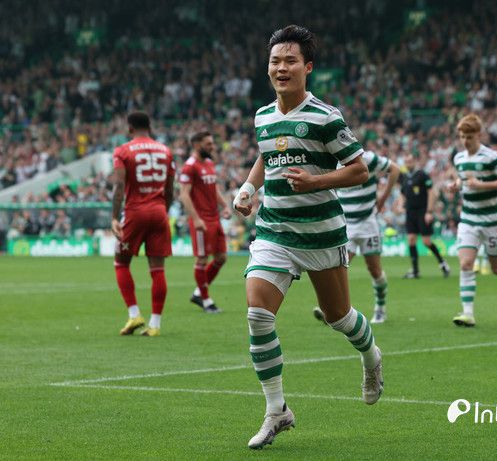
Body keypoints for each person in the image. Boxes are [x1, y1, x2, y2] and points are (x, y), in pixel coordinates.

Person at [232, 25, 383, 450]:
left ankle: (371, 357)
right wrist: (248, 188)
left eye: (290, 61)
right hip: (274, 231)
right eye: (275, 61)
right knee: (258, 315)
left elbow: (359, 170)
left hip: (320, 234)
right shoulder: (263, 116)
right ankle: (276, 410)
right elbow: (266, 156)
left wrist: (316, 182)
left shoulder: (325, 116)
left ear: (308, 67)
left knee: (339, 318)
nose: (281, 68)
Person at [447, 114, 497, 327]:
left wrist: (483, 185)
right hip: (468, 219)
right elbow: (463, 180)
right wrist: (456, 185)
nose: (465, 141)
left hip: (492, 221)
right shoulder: (459, 158)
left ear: (479, 135)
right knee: (466, 263)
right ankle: (468, 313)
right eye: (462, 136)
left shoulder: (491, 157)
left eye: (469, 136)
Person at [313, 150, 400, 324]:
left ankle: (380, 308)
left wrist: (383, 198)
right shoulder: (332, 162)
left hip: (368, 223)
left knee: (374, 270)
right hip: (346, 225)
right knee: (338, 267)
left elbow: (395, 169)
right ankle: (332, 309)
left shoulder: (367, 158)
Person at [112, 111, 175, 337]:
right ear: (149, 127)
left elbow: (119, 186)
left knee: (121, 262)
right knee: (157, 269)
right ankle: (155, 324)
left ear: (130, 128)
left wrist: (114, 217)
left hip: (135, 212)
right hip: (159, 211)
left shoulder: (122, 151)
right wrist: (163, 211)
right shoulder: (165, 151)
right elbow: (170, 189)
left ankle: (134, 315)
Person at [179, 131, 231, 313]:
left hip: (214, 218)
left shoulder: (209, 163)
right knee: (202, 259)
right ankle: (206, 300)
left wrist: (224, 205)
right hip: (201, 220)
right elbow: (184, 194)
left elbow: (213, 188)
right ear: (196, 145)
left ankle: (198, 293)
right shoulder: (189, 167)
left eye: (212, 143)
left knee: (221, 257)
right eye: (208, 144)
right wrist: (195, 219)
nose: (212, 147)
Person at [400, 153, 450, 279]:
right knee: (411, 239)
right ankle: (415, 270)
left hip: (422, 211)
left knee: (426, 241)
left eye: (410, 161)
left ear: (415, 161)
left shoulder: (422, 175)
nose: (408, 164)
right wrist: (400, 205)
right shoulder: (404, 177)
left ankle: (442, 263)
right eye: (406, 162)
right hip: (410, 212)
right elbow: (403, 193)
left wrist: (429, 211)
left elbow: (431, 192)